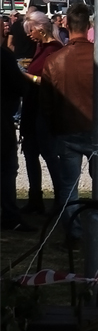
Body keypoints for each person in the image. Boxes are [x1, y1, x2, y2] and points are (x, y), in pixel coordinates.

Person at [38, 3, 98, 230]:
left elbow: (46, 102)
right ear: (89, 25)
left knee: (68, 186)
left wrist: (54, 126)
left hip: (67, 129)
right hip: (97, 127)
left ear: (66, 24)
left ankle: (73, 233)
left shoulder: (55, 61)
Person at [20, 10, 64, 214]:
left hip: (43, 109)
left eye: (30, 30)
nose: (28, 34)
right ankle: (35, 197)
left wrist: (26, 76)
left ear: (40, 28)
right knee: (30, 154)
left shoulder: (53, 49)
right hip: (32, 107)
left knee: (48, 154)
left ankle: (60, 198)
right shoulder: (40, 47)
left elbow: (49, 80)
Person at [2, 21, 36, 230]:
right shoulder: (3, 56)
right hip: (2, 121)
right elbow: (20, 86)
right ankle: (10, 216)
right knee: (6, 169)